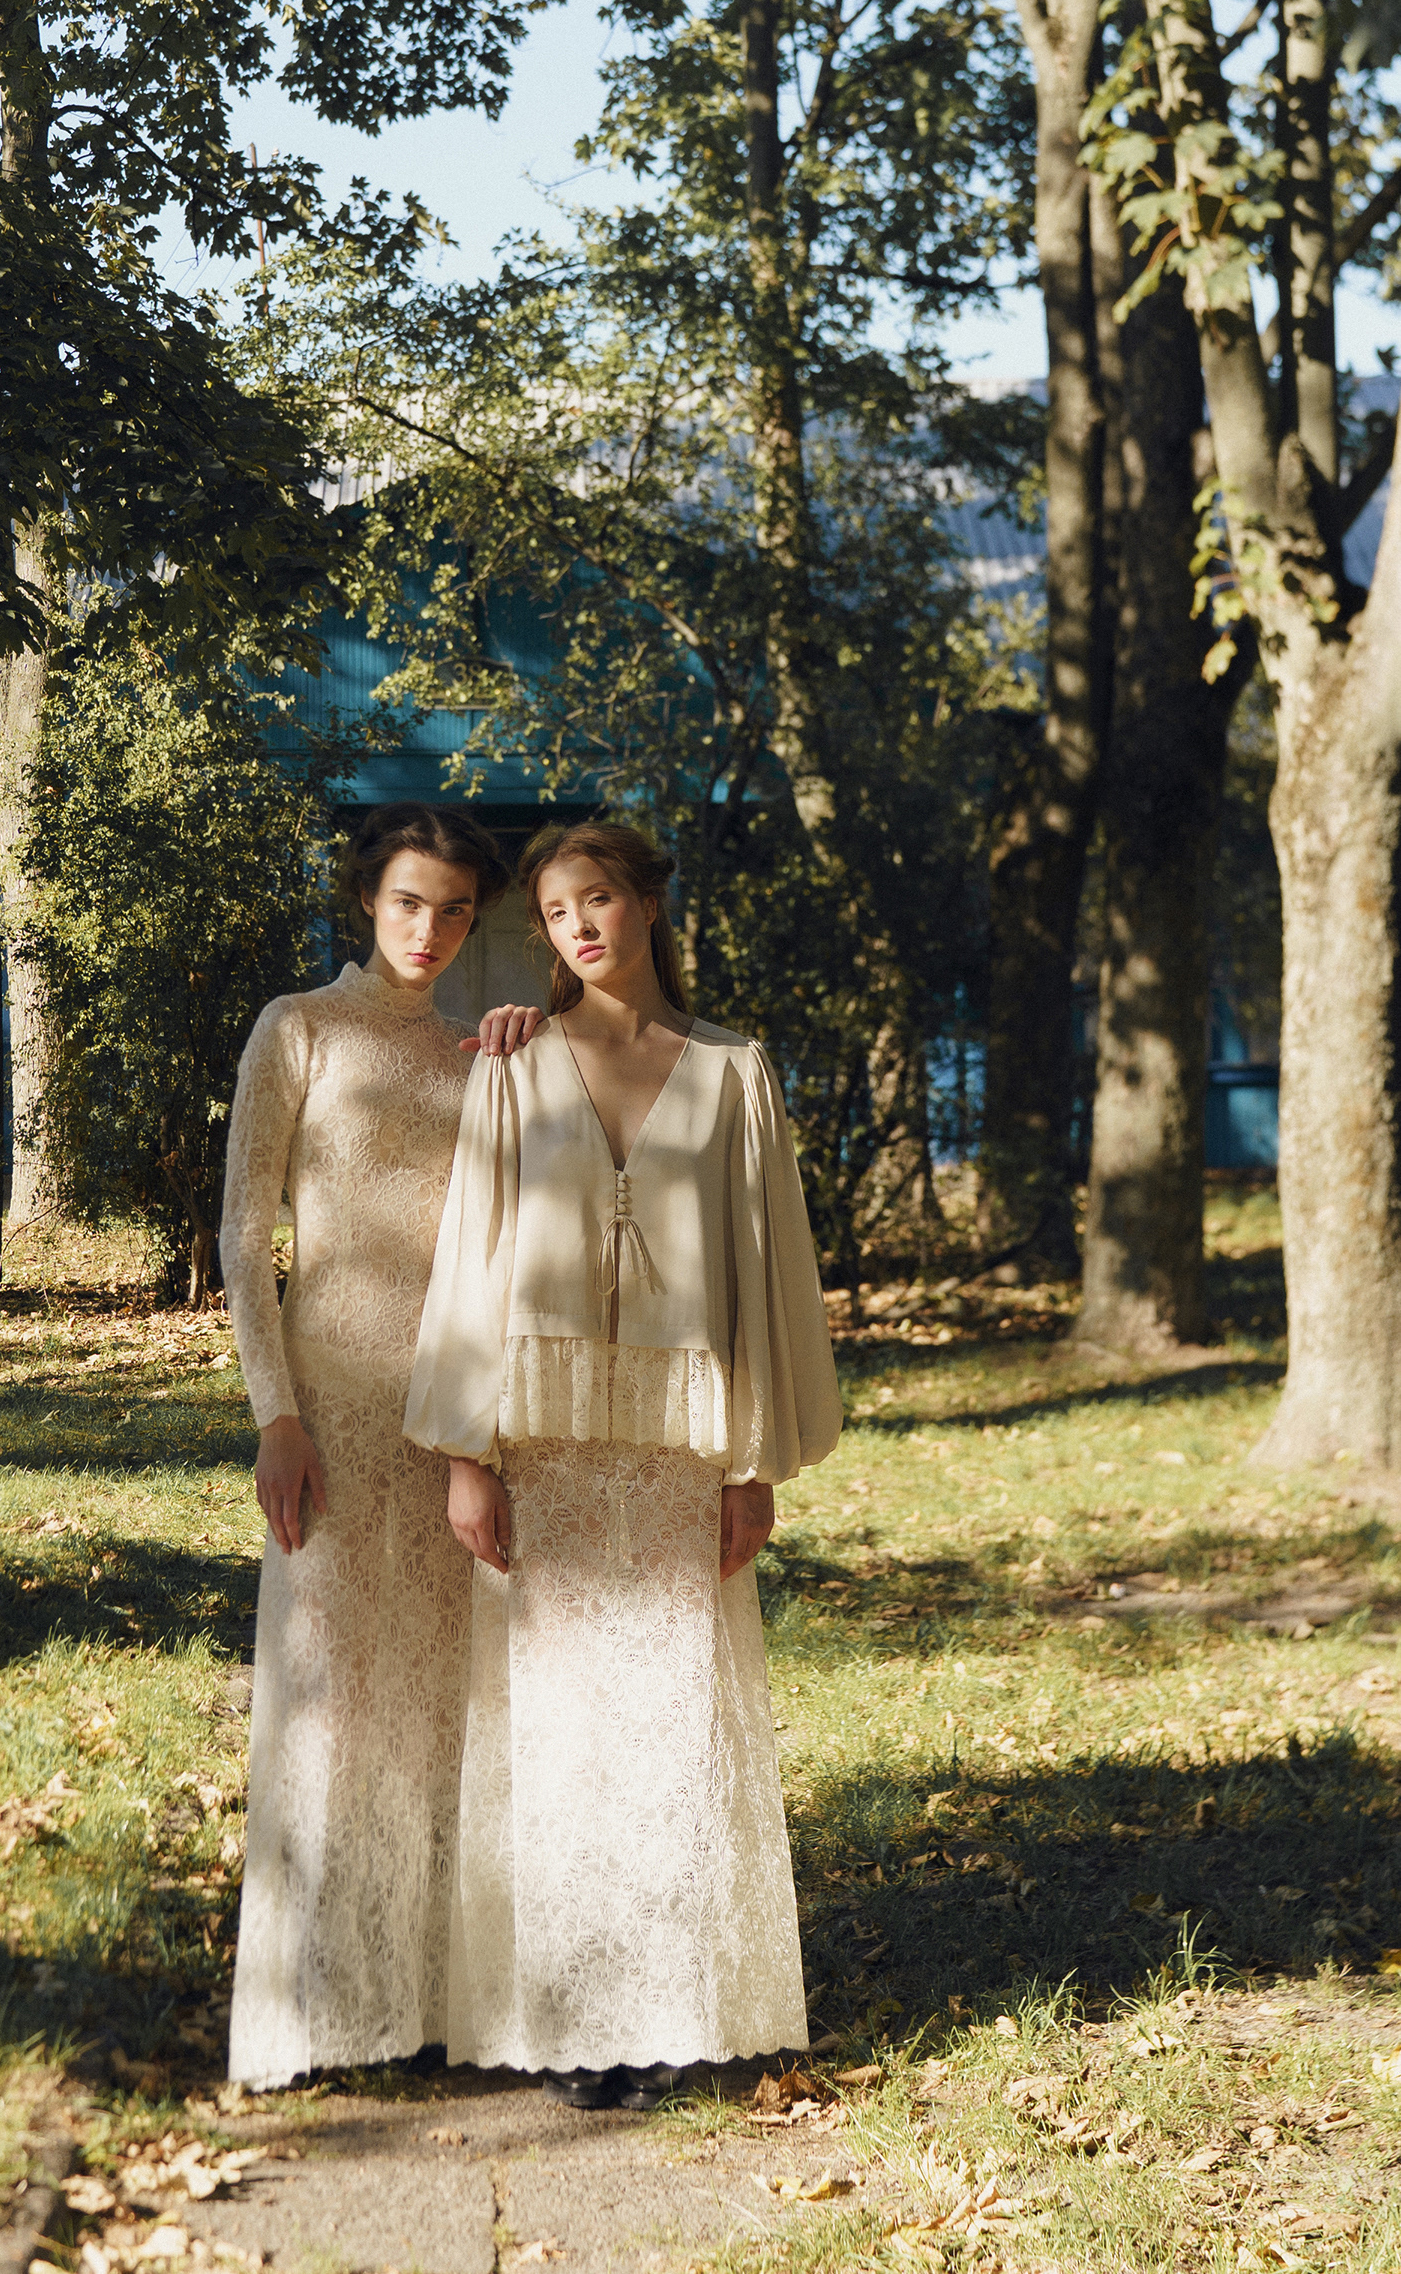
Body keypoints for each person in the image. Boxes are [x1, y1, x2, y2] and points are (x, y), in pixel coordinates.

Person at [403, 820, 841, 2108]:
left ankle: (661, 2010)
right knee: (553, 1732)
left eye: (596, 898)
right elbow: (472, 1258)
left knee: (663, 1729)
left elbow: (766, 1274)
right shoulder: (512, 1063)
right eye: (554, 911)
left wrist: (751, 1467)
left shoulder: (732, 1071)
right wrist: (466, 1453)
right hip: (541, 1447)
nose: (579, 925)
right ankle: (563, 2012)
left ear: (647, 903)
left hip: (672, 1452)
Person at [220, 803, 540, 2089]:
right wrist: (275, 1414)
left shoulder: (481, 1054)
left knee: (446, 1701)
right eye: (410, 901)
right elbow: (245, 1233)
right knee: (333, 1700)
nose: (430, 929)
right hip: (331, 1414)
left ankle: (441, 1998)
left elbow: (515, 1240)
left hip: (454, 1414)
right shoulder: (297, 1028)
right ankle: (320, 2006)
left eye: (455, 910)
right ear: (368, 898)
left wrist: (526, 1045)